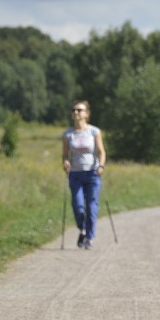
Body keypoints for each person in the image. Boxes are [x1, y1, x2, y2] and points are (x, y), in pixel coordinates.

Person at [62, 100, 107, 250]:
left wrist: (101, 165)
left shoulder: (94, 131)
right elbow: (65, 155)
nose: (76, 112)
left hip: (92, 174)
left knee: (92, 206)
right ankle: (82, 229)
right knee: (78, 206)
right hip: (75, 174)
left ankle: (89, 237)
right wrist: (66, 162)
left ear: (86, 114)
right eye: (74, 110)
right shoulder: (68, 134)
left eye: (79, 110)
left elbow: (101, 151)